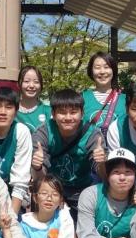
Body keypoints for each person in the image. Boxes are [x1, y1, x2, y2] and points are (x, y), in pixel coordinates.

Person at [31, 89, 107, 217]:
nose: (68, 118)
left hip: (82, 190)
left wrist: (102, 163)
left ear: (82, 114)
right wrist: (37, 166)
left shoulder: (93, 134)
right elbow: (39, 178)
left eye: (73, 112)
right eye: (62, 113)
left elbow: (104, 175)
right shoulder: (43, 132)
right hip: (51, 189)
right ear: (53, 114)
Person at [0, 87, 32, 213]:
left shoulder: (21, 131)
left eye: (9, 107)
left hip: (8, 193)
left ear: (16, 111)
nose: (3, 112)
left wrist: (11, 218)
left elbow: (20, 180)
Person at [81, 52, 126, 137]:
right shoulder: (82, 98)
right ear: (91, 71)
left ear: (113, 70)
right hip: (89, 149)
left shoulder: (125, 99)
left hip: (117, 149)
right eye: (97, 68)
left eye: (106, 67)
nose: (102, 71)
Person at [16, 65, 52, 133]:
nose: (32, 86)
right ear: (19, 84)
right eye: (26, 81)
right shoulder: (11, 110)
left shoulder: (49, 111)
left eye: (36, 82)